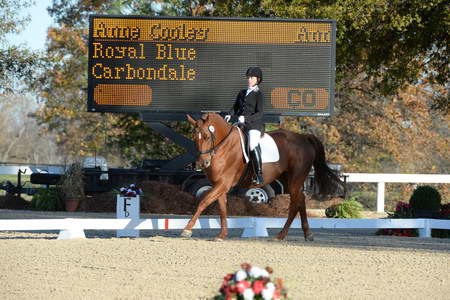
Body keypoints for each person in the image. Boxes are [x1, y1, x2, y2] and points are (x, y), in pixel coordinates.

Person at [224, 67, 264, 185]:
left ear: (258, 79)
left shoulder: (258, 94)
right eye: (248, 78)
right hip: (240, 124)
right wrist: (229, 115)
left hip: (253, 125)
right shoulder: (242, 92)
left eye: (252, 78)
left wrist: (246, 118)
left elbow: (260, 113)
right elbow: (235, 107)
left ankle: (259, 174)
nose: (249, 80)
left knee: (252, 145)